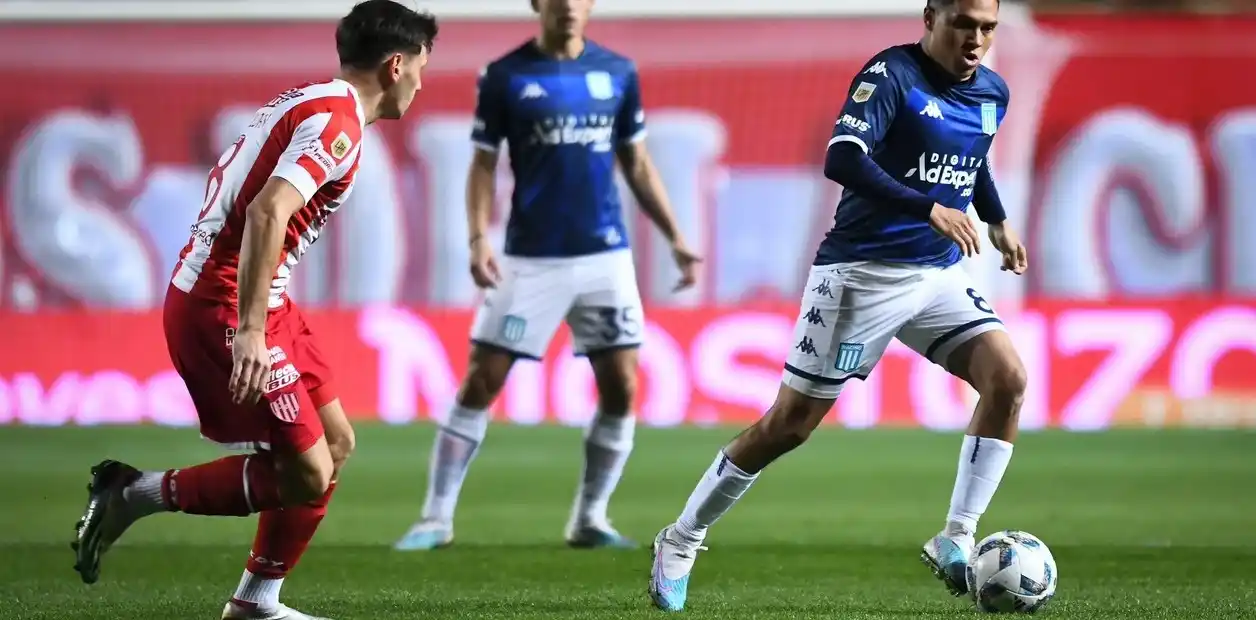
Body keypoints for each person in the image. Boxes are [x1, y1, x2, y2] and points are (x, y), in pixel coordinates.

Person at [648, 0, 1027, 611]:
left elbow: (974, 156)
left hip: (936, 276)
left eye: (987, 27)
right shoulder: (890, 77)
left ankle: (956, 537)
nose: (976, 39)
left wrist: (1000, 220)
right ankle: (682, 537)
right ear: (931, 17)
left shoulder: (993, 91)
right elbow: (842, 158)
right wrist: (927, 206)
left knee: (1007, 379)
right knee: (788, 426)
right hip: (860, 276)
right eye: (964, 24)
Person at [70, 3, 438, 618]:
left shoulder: (316, 101)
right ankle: (132, 494)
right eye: (422, 66)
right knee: (307, 474)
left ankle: (256, 602)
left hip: (265, 298)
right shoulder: (337, 124)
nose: (423, 82)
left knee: (336, 443)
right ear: (396, 65)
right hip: (226, 303)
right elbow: (268, 211)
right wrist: (248, 330)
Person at [393, 0, 699, 552]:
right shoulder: (505, 75)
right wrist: (478, 237)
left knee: (622, 386)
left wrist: (676, 237)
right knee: (482, 380)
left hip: (605, 256)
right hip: (529, 259)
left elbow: (637, 162)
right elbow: (483, 163)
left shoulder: (618, 72)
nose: (569, 7)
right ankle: (435, 518)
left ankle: (590, 517)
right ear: (538, 4)